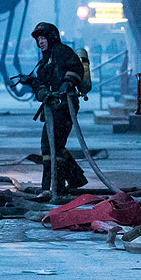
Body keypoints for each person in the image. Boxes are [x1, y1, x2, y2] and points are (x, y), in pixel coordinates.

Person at [25, 22, 88, 197]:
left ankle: (51, 187)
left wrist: (66, 85)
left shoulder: (62, 51)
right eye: (38, 39)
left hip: (65, 106)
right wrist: (36, 85)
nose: (40, 42)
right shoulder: (45, 60)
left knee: (51, 145)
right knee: (54, 146)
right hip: (53, 107)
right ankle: (65, 183)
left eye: (43, 37)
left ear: (51, 38)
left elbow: (75, 69)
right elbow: (43, 83)